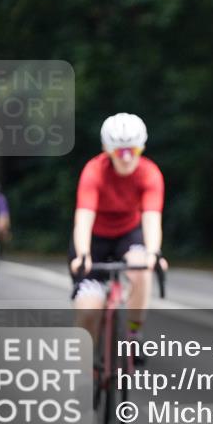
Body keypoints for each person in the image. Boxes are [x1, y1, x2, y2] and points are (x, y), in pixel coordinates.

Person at [68, 113, 165, 348]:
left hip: (127, 233)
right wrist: (83, 254)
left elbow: (152, 219)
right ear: (106, 150)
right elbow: (83, 218)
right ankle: (85, 369)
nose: (127, 158)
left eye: (133, 151)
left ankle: (134, 333)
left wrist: (154, 253)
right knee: (89, 312)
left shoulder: (150, 173)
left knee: (141, 270)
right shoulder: (94, 171)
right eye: (119, 151)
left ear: (142, 148)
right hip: (94, 239)